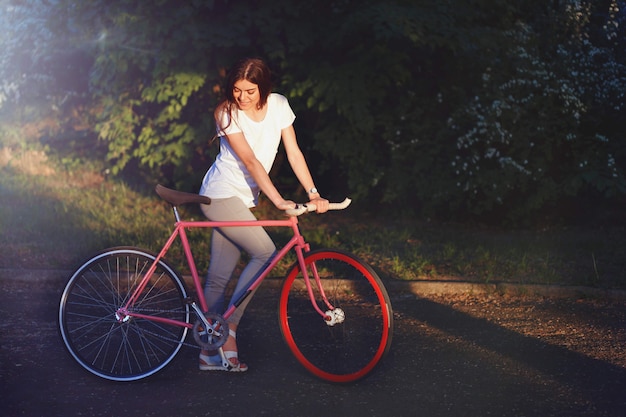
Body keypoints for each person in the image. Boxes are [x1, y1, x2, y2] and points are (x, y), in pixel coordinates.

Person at [198, 58, 329, 372]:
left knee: (218, 276)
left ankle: (207, 352)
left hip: (241, 201)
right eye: (237, 89)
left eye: (250, 91)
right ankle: (228, 329)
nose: (242, 97)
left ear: (264, 88)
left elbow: (293, 151)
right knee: (266, 252)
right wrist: (280, 201)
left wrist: (313, 193)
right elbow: (252, 162)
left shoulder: (280, 106)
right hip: (218, 195)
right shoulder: (226, 113)